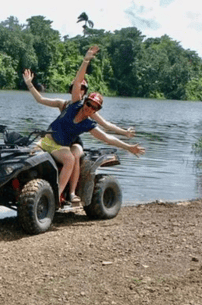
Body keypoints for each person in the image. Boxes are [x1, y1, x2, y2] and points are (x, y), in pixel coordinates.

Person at [23, 46, 145, 204]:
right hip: (46, 141)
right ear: (84, 101)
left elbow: (107, 136)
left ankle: (57, 197)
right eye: (88, 104)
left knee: (70, 158)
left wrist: (128, 146)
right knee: (24, 158)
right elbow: (77, 81)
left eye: (94, 107)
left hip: (62, 146)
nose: (89, 108)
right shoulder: (73, 104)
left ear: (96, 109)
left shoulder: (89, 123)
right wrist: (86, 60)